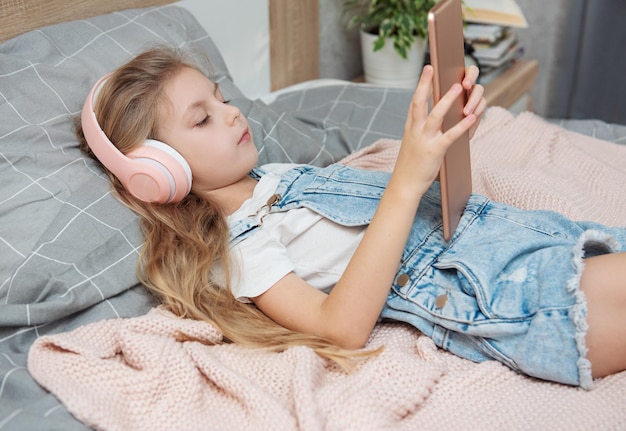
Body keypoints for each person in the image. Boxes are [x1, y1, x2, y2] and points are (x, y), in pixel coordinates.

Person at [77, 46, 626, 389]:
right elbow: (341, 326)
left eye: (221, 98)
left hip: (521, 241)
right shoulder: (240, 248)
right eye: (203, 119)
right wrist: (408, 175)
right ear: (159, 171)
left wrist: (443, 150)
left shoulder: (279, 177)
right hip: (507, 296)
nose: (233, 112)